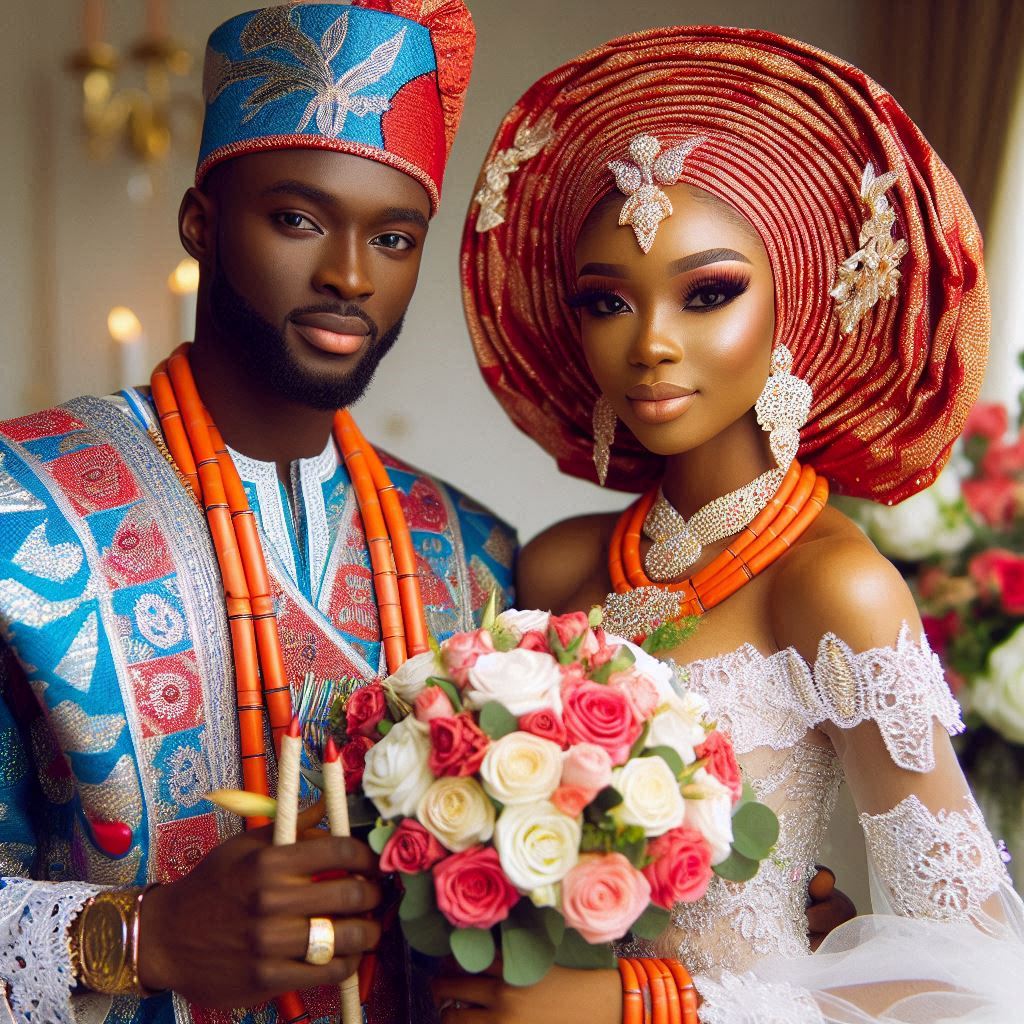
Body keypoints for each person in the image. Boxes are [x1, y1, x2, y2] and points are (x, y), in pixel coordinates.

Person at [447, 23, 1024, 1024]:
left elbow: (976, 965)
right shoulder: (556, 565)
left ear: (791, 304)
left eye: (707, 292)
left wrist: (640, 1006)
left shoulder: (829, 583)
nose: (652, 343)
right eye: (606, 301)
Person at [0, 3, 516, 1023]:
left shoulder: (472, 554)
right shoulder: (20, 508)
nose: (350, 275)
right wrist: (143, 938)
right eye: (297, 219)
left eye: (395, 236)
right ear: (200, 223)